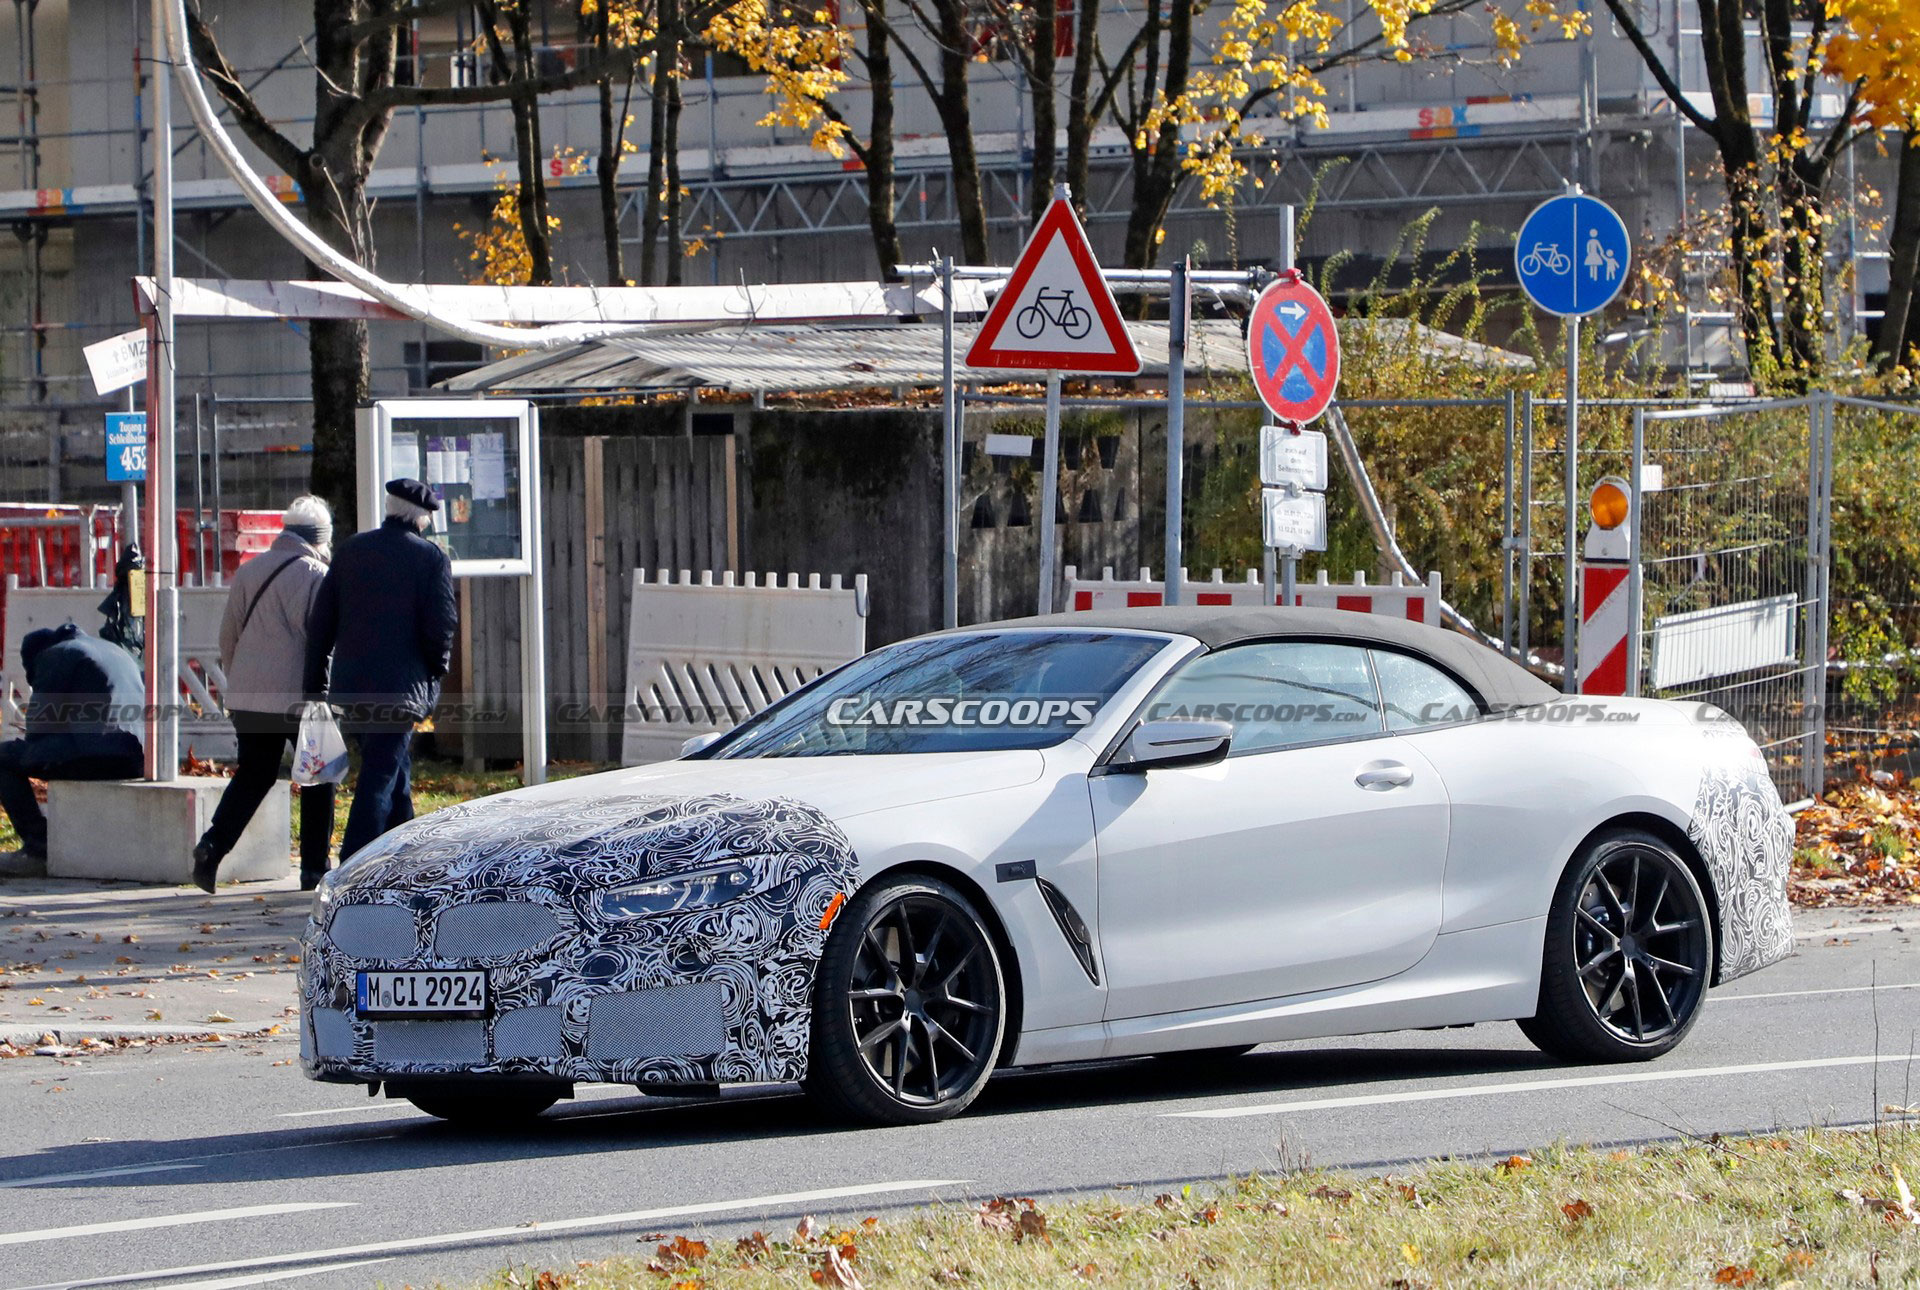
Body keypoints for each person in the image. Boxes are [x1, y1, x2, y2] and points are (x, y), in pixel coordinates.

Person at [305, 478, 456, 862]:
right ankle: (353, 863)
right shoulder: (430, 558)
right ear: (422, 518)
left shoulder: (351, 550)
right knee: (379, 778)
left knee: (393, 769)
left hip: (352, 689)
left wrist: (315, 682)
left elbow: (321, 623)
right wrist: (436, 672)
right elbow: (441, 627)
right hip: (399, 691)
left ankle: (404, 853)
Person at [191, 496, 336, 894]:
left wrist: (241, 681)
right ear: (320, 537)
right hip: (297, 698)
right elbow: (319, 639)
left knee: (254, 776)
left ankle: (212, 846)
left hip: (249, 697)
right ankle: (313, 869)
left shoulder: (250, 570)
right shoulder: (315, 574)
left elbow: (228, 636)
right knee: (318, 777)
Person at [0, 622, 145, 866]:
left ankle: (38, 846)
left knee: (3, 756)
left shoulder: (55, 656)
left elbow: (38, 730)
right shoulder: (110, 649)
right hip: (138, 758)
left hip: (94, 755)